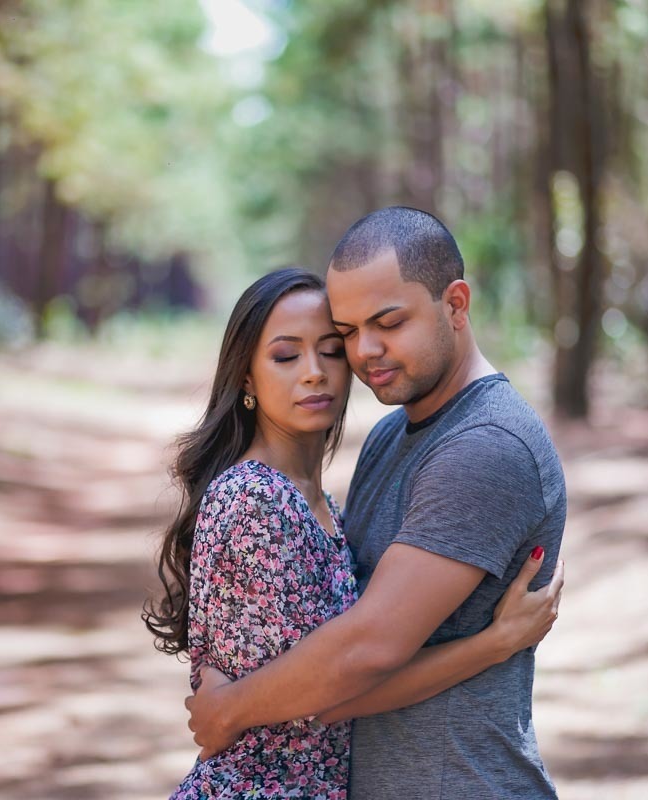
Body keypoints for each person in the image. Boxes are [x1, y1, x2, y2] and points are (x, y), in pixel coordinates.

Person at [184, 207, 568, 799]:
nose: (365, 351)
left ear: (456, 305)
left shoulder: (486, 447)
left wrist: (230, 708)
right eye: (351, 331)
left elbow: (366, 649)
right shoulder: (391, 437)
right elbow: (318, 647)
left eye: (388, 322)